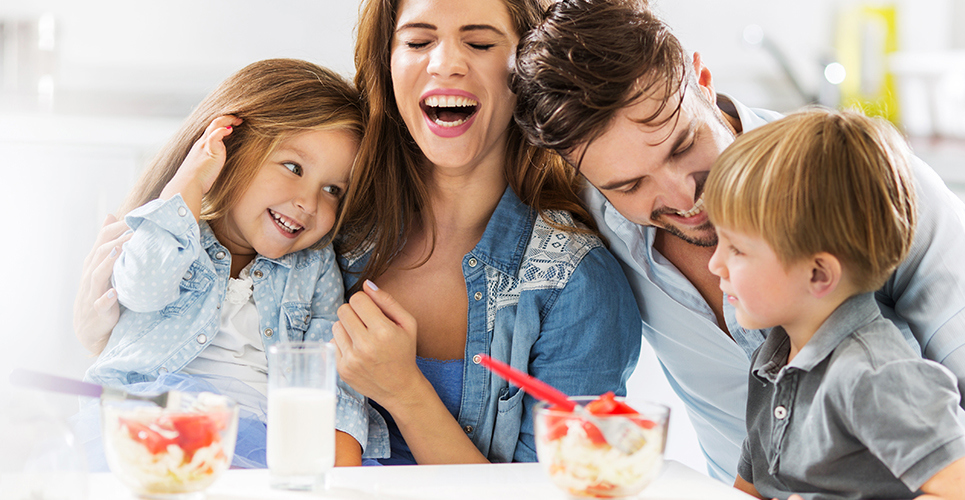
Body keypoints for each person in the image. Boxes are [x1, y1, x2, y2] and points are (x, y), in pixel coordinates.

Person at [511, 0, 965, 497]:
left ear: (701, 78)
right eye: (628, 186)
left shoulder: (868, 189)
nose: (684, 197)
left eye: (683, 144)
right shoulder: (590, 219)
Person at [73, 0, 642, 466]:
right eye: (418, 41)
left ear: (527, 69)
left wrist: (404, 391)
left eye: (481, 42)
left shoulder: (573, 283)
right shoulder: (324, 230)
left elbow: (559, 492)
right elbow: (185, 318)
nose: (445, 63)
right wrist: (104, 326)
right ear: (388, 63)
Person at [82, 58, 369, 468]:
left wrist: (338, 465)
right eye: (293, 167)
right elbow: (141, 287)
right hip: (149, 424)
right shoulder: (176, 235)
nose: (309, 202)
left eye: (333, 189)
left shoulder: (315, 267)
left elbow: (329, 369)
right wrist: (188, 183)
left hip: (259, 441)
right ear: (230, 152)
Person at [707, 108, 965, 500]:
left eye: (737, 250)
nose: (715, 264)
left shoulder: (876, 375)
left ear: (818, 275)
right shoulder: (772, 361)